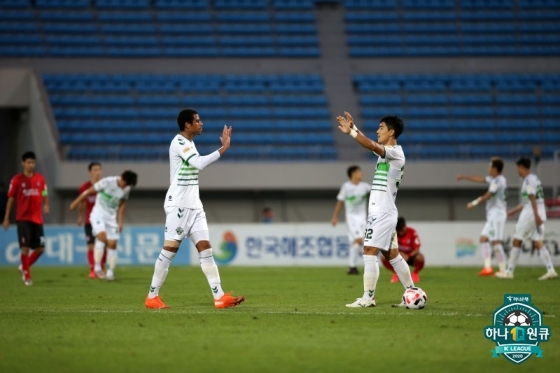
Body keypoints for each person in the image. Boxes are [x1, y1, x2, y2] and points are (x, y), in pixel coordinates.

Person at [145, 108, 245, 309]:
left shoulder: (190, 143)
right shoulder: (179, 142)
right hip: (179, 205)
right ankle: (152, 296)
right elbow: (198, 164)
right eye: (197, 121)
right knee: (170, 249)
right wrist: (223, 149)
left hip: (195, 206)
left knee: (205, 248)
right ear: (187, 125)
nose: (201, 123)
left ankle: (219, 296)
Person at [336, 111, 415, 308]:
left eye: (381, 128)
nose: (377, 130)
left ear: (392, 132)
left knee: (369, 251)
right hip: (383, 211)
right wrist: (353, 129)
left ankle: (368, 298)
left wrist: (352, 134)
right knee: (392, 255)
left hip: (382, 212)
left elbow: (371, 144)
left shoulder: (395, 153)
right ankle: (412, 292)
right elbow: (372, 145)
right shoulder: (387, 153)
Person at [70, 170, 137, 281]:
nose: (125, 186)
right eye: (125, 183)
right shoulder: (107, 182)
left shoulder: (126, 188)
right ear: (121, 178)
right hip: (98, 215)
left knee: (112, 244)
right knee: (102, 236)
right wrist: (75, 203)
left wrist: (120, 221)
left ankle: (110, 272)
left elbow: (122, 204)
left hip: (111, 218)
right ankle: (97, 268)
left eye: (127, 185)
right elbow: (88, 192)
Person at [497, 157, 557, 280]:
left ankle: (509, 271)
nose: (517, 171)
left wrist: (536, 216)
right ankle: (551, 269)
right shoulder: (535, 179)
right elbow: (528, 201)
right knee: (537, 242)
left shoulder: (528, 181)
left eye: (517, 168)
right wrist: (514, 211)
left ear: (521, 167)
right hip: (536, 213)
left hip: (531, 215)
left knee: (516, 240)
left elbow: (532, 198)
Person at [2, 151, 49, 286]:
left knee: (40, 249)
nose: (30, 165)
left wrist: (46, 204)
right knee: (25, 247)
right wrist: (6, 217)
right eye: (28, 162)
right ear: (23, 163)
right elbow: (11, 198)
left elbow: (44, 192)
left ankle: (24, 266)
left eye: (33, 162)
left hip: (37, 218)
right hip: (23, 218)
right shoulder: (17, 180)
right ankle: (27, 276)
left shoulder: (40, 179)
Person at [456, 157, 508, 276]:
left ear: (495, 168)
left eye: (490, 166)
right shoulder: (494, 179)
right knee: (483, 239)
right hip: (493, 215)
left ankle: (503, 270)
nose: (488, 169)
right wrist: (465, 177)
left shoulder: (499, 180)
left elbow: (488, 195)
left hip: (498, 214)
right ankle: (488, 268)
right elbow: (480, 179)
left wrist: (473, 203)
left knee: (496, 242)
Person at [331, 165, 370, 275]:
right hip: (352, 218)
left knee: (359, 244)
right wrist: (335, 216)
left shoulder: (365, 186)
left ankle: (352, 267)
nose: (361, 174)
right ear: (353, 173)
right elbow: (339, 202)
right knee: (359, 240)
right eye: (359, 172)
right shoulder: (346, 187)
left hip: (363, 218)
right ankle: (354, 267)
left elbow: (378, 193)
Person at [76, 161, 106, 279]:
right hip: (89, 221)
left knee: (103, 245)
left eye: (99, 169)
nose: (97, 172)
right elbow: (82, 203)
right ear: (90, 172)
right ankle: (93, 269)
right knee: (91, 246)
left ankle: (101, 268)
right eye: (95, 170)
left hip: (103, 221)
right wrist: (79, 217)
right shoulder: (85, 187)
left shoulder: (105, 185)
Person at [381, 217, 424, 283]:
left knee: (420, 258)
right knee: (383, 257)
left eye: (401, 229)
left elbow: (417, 249)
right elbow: (389, 248)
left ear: (404, 226)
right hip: (398, 256)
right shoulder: (393, 234)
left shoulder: (412, 232)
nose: (400, 232)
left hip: (411, 256)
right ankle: (396, 273)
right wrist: (399, 254)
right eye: (398, 230)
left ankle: (415, 273)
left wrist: (408, 256)